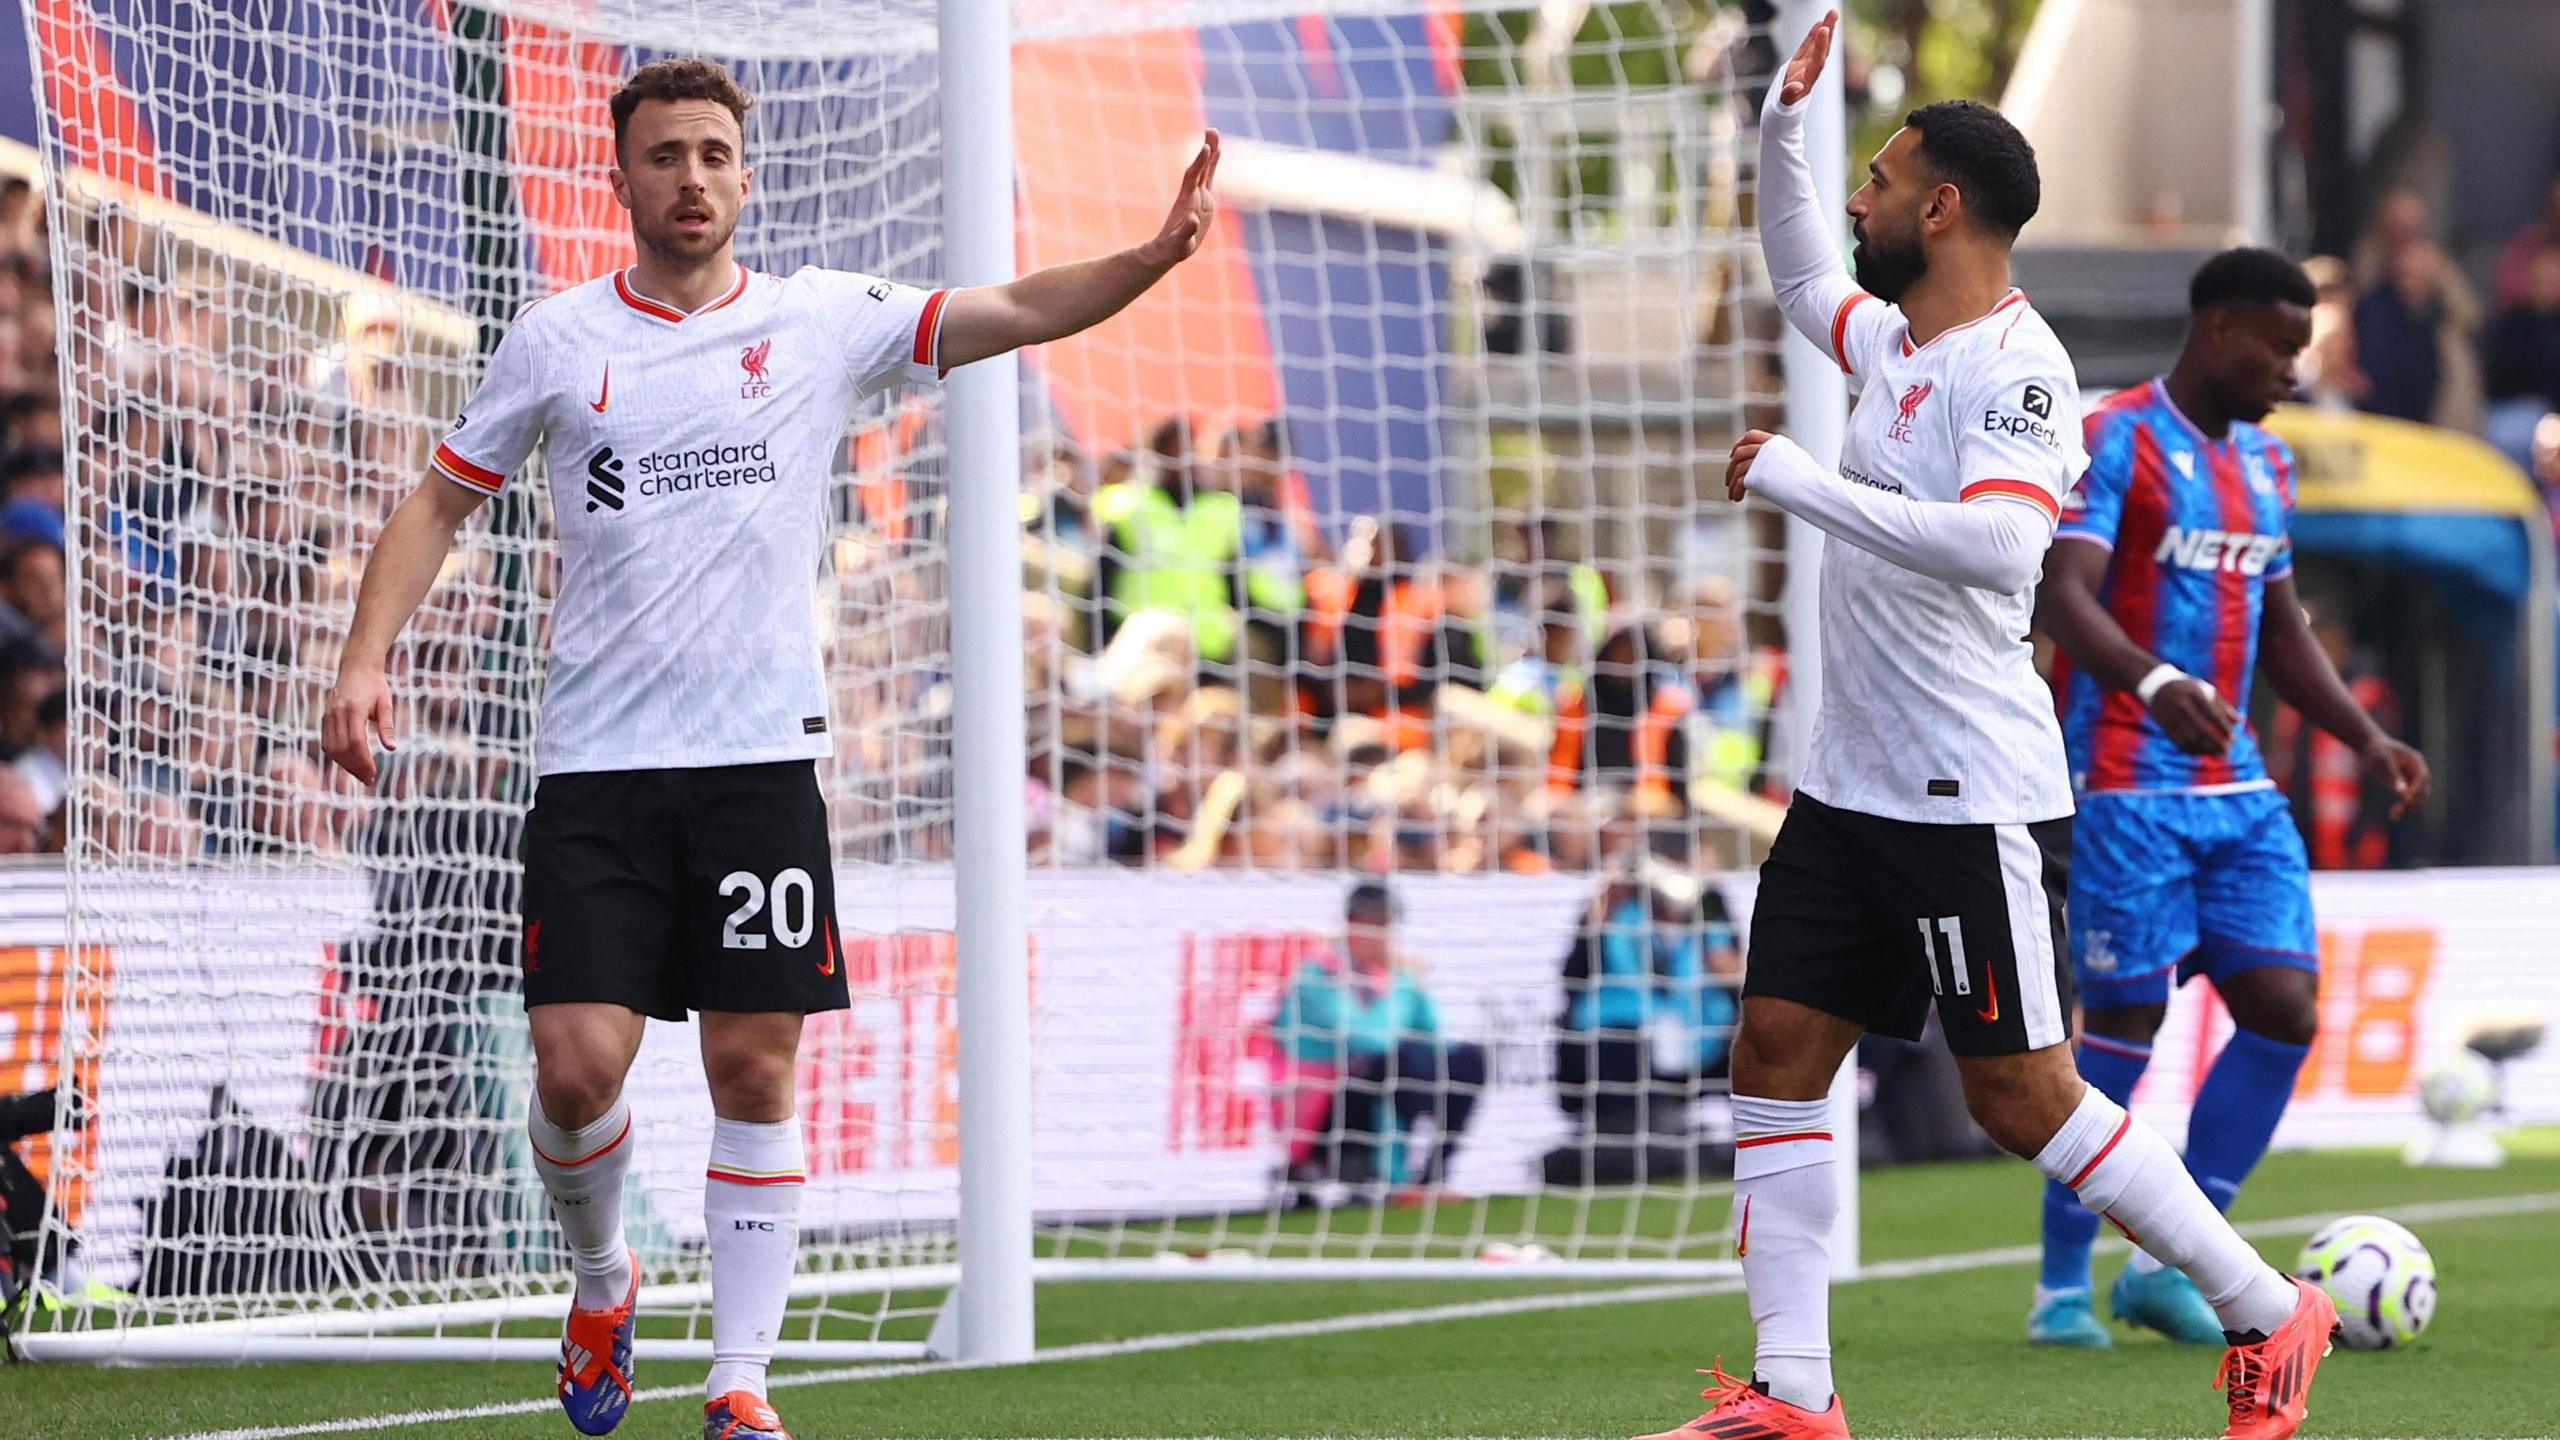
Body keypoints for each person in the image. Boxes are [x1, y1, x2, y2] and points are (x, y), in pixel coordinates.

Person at [319, 57, 1223, 1440]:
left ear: (749, 173)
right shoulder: (558, 341)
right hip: (596, 768)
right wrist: (365, 658)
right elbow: (442, 503)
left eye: (716, 154)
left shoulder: (821, 322)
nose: (693, 177)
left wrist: (1155, 256)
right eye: (667, 154)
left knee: (754, 1069)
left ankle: (739, 1382)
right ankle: (605, 1274)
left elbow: (1022, 307)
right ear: (619, 176)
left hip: (760, 766)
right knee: (572, 1072)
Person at [1633, 17, 2341, 1440]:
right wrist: (1783, 124)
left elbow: (2001, 556)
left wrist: (1799, 481)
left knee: (2022, 1097)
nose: (1861, 198)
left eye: (1881, 178)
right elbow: (1795, 267)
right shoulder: (1895, 336)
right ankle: (1795, 1398)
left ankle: (2271, 1312)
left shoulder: (2015, 372)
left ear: (1942, 207)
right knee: (1774, 1047)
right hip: (1852, 785)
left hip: (1972, 796)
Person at [2031, 248, 2431, 1352]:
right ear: (2216, 330)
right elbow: (2061, 596)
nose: (2293, 371)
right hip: (2124, 781)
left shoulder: (2265, 462)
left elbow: (2283, 627)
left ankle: (2173, 1260)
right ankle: (2060, 1287)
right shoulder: (2113, 438)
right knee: (2124, 1027)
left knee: (2285, 1012)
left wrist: (2363, 732)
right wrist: (2155, 683)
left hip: (2239, 789)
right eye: (2280, 347)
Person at [1267, 879, 1486, 1205]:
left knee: (1468, 1060)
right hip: (1321, 1108)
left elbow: (1435, 1035)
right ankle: (1393, 1180)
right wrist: (1398, 984)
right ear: (1351, 924)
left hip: (1384, 1080)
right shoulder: (1318, 975)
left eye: (1387, 925)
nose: (1381, 936)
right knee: (1398, 1062)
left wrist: (1414, 985)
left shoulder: (1394, 976)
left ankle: (1431, 1179)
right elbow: (1368, 1039)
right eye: (1372, 925)